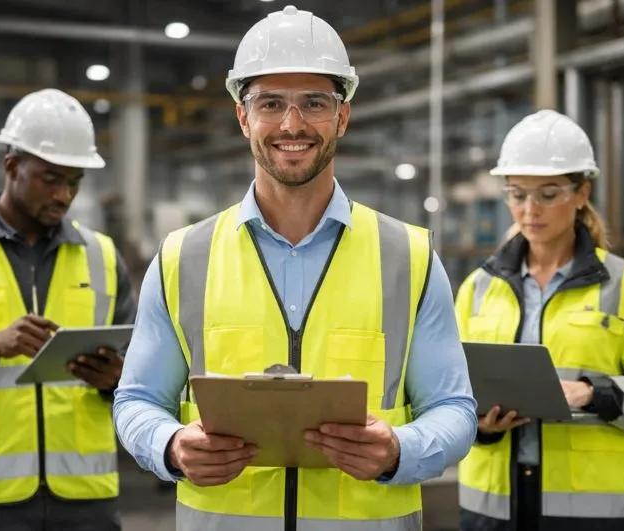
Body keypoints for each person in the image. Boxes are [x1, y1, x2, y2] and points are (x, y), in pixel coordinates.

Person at [113, 5, 477, 530]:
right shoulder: (182, 257)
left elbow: (454, 409)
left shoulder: (409, 257)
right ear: (243, 117)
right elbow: (138, 399)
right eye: (270, 103)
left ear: (343, 116)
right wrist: (169, 445)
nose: (292, 124)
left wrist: (400, 450)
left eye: (314, 103)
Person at [453, 109, 624, 531]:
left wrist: (592, 393)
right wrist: (480, 425)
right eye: (517, 193)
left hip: (592, 516)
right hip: (492, 511)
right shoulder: (477, 287)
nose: (529, 210)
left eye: (548, 194)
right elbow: (446, 392)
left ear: (581, 193)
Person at [0, 88, 137, 531]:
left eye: (74, 181)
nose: (64, 195)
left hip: (87, 502)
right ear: (12, 166)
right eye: (51, 178)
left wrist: (117, 380)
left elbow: (145, 378)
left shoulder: (104, 258)